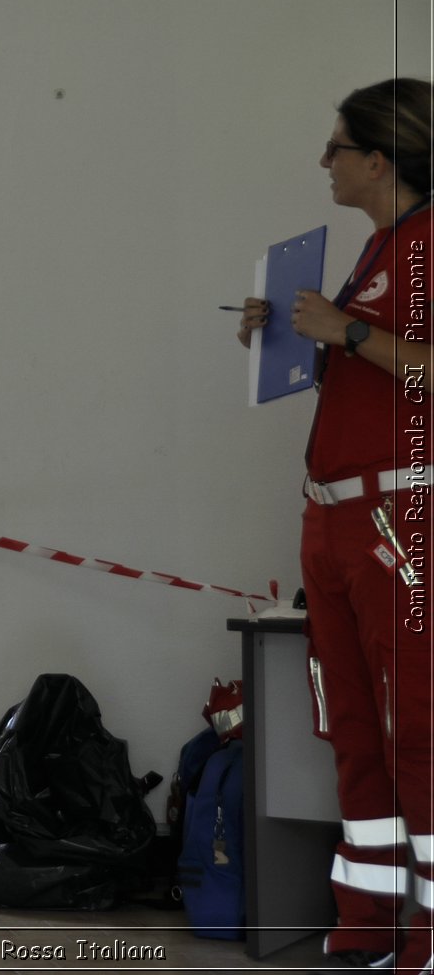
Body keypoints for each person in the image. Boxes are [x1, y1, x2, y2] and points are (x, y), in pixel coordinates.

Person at [238, 79, 432, 973]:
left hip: (399, 517)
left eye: (338, 146)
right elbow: (371, 375)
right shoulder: (379, 247)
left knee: (417, 724)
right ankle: (367, 917)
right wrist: (294, 336)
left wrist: (345, 332)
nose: (325, 161)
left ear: (381, 159)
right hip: (334, 517)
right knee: (350, 722)